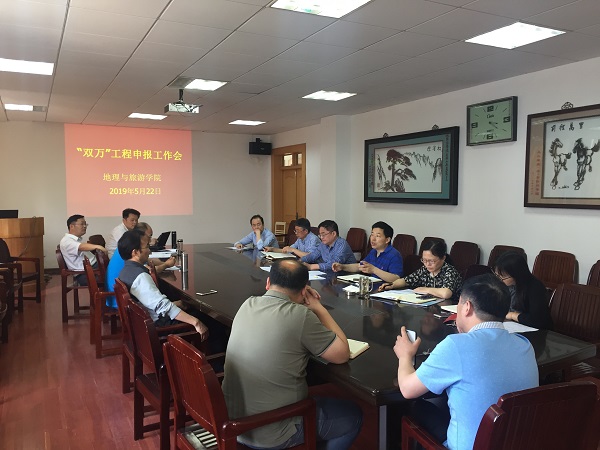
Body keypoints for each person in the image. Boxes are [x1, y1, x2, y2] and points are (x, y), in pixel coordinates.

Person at [222, 259, 362, 449]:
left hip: (232, 423)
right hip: (272, 430)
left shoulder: (248, 304)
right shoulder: (300, 316)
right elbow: (342, 354)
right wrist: (319, 308)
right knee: (352, 415)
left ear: (268, 282)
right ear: (304, 291)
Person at [394, 274, 538, 450]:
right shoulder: (524, 345)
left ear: (467, 307)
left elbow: (407, 389)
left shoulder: (456, 346)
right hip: (516, 442)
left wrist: (405, 356)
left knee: (417, 407)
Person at [117, 229, 209, 339]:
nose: (150, 251)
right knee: (208, 320)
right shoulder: (140, 277)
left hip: (146, 321)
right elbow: (163, 307)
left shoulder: (125, 271)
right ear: (135, 252)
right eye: (147, 247)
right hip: (158, 326)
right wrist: (196, 322)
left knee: (188, 308)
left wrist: (175, 304)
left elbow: (150, 302)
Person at [105, 222, 176, 308]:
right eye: (149, 236)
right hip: (118, 300)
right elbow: (150, 272)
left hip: (119, 296)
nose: (150, 239)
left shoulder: (127, 246)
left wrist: (165, 263)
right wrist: (166, 265)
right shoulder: (135, 256)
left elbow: (149, 261)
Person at [379, 240, 461, 301]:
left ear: (443, 258)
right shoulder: (425, 270)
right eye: (424, 260)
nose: (427, 264)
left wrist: (425, 289)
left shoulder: (449, 271)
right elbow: (406, 280)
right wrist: (392, 285)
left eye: (431, 261)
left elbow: (446, 293)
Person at [493, 251, 553, 329]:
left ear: (516, 274)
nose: (499, 280)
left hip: (531, 330)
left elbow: (538, 320)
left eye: (503, 277)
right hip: (508, 324)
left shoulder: (535, 288)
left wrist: (512, 315)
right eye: (497, 275)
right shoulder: (504, 283)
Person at [332, 221, 403, 282]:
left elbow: (396, 278)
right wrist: (342, 267)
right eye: (372, 235)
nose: (373, 239)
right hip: (373, 286)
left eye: (377, 236)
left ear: (387, 240)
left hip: (387, 290)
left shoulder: (394, 255)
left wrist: (374, 270)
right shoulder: (373, 251)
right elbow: (360, 266)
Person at [59, 214, 107, 286]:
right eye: (82, 224)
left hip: (93, 269)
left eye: (85, 224)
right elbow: (80, 246)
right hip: (86, 274)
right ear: (72, 226)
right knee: (117, 272)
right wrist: (98, 246)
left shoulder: (74, 240)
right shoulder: (67, 241)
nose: (85, 226)